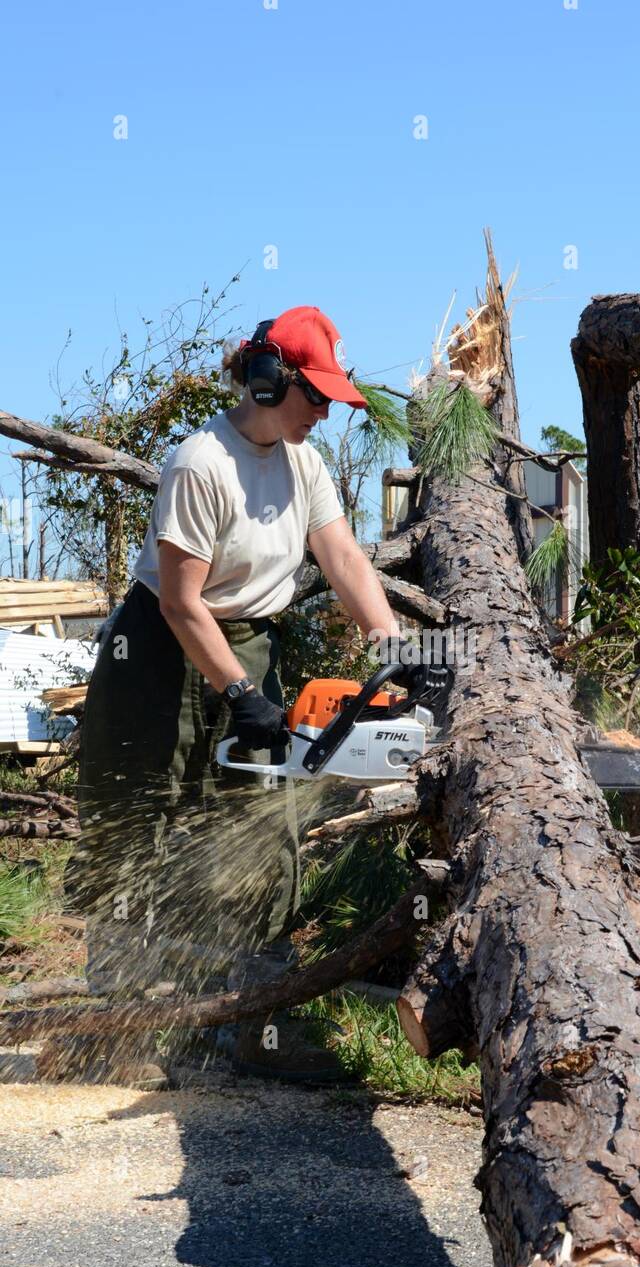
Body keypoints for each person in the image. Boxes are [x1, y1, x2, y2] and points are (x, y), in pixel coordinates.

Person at [39, 306, 402, 1088]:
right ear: (272, 382)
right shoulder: (200, 462)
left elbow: (341, 556)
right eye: (317, 396)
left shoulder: (304, 464)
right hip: (160, 656)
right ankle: (116, 1028)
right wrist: (240, 694)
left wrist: (395, 648)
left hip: (249, 645)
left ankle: (250, 1024)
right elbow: (177, 600)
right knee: (138, 824)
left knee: (256, 827)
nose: (326, 412)